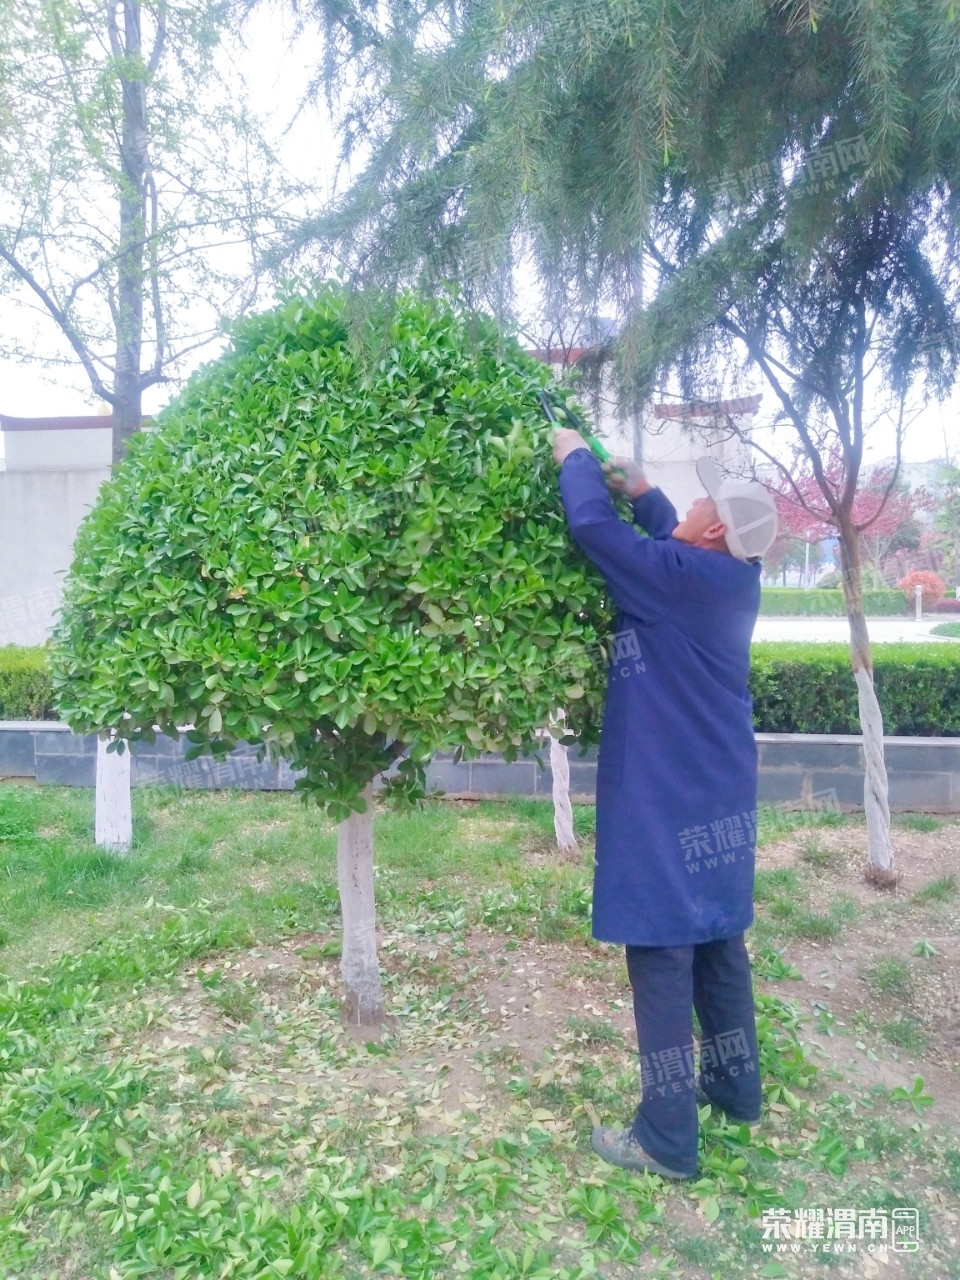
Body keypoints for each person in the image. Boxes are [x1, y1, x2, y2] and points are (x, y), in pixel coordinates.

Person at [552, 428, 778, 1180]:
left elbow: (590, 529)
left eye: (700, 502)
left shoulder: (682, 577)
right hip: (715, 787)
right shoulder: (731, 579)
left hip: (665, 794)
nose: (692, 507)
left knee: (661, 951)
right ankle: (735, 1090)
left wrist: (571, 457)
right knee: (717, 941)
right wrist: (649, 495)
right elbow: (674, 546)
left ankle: (667, 1141)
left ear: (712, 530)